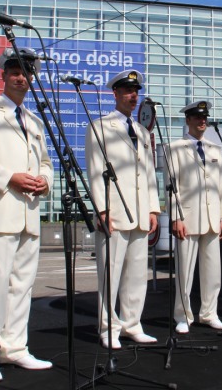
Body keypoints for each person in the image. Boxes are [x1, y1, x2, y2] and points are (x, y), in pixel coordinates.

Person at [0, 49, 54, 382]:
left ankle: (15, 347)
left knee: (23, 285)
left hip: (29, 212)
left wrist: (45, 181)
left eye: (26, 73)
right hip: (1, 208)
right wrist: (9, 177)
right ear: (3, 75)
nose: (21, 78)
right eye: (15, 72)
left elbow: (45, 162)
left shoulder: (34, 120)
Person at [85, 69, 160, 349]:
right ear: (115, 93)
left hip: (139, 212)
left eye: (136, 91)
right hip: (115, 211)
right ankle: (108, 327)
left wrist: (153, 209)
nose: (133, 96)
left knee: (137, 274)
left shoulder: (141, 131)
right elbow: (95, 170)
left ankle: (132, 324)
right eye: (128, 91)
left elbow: (148, 173)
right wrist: (102, 210)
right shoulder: (100, 127)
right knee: (110, 273)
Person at [166, 101, 222, 334]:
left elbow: (221, 186)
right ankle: (183, 315)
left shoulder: (214, 149)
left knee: (213, 271)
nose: (202, 121)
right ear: (188, 120)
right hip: (188, 217)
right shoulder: (174, 148)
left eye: (205, 118)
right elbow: (171, 187)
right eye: (197, 117)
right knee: (185, 272)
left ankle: (209, 313)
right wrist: (176, 217)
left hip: (212, 218)